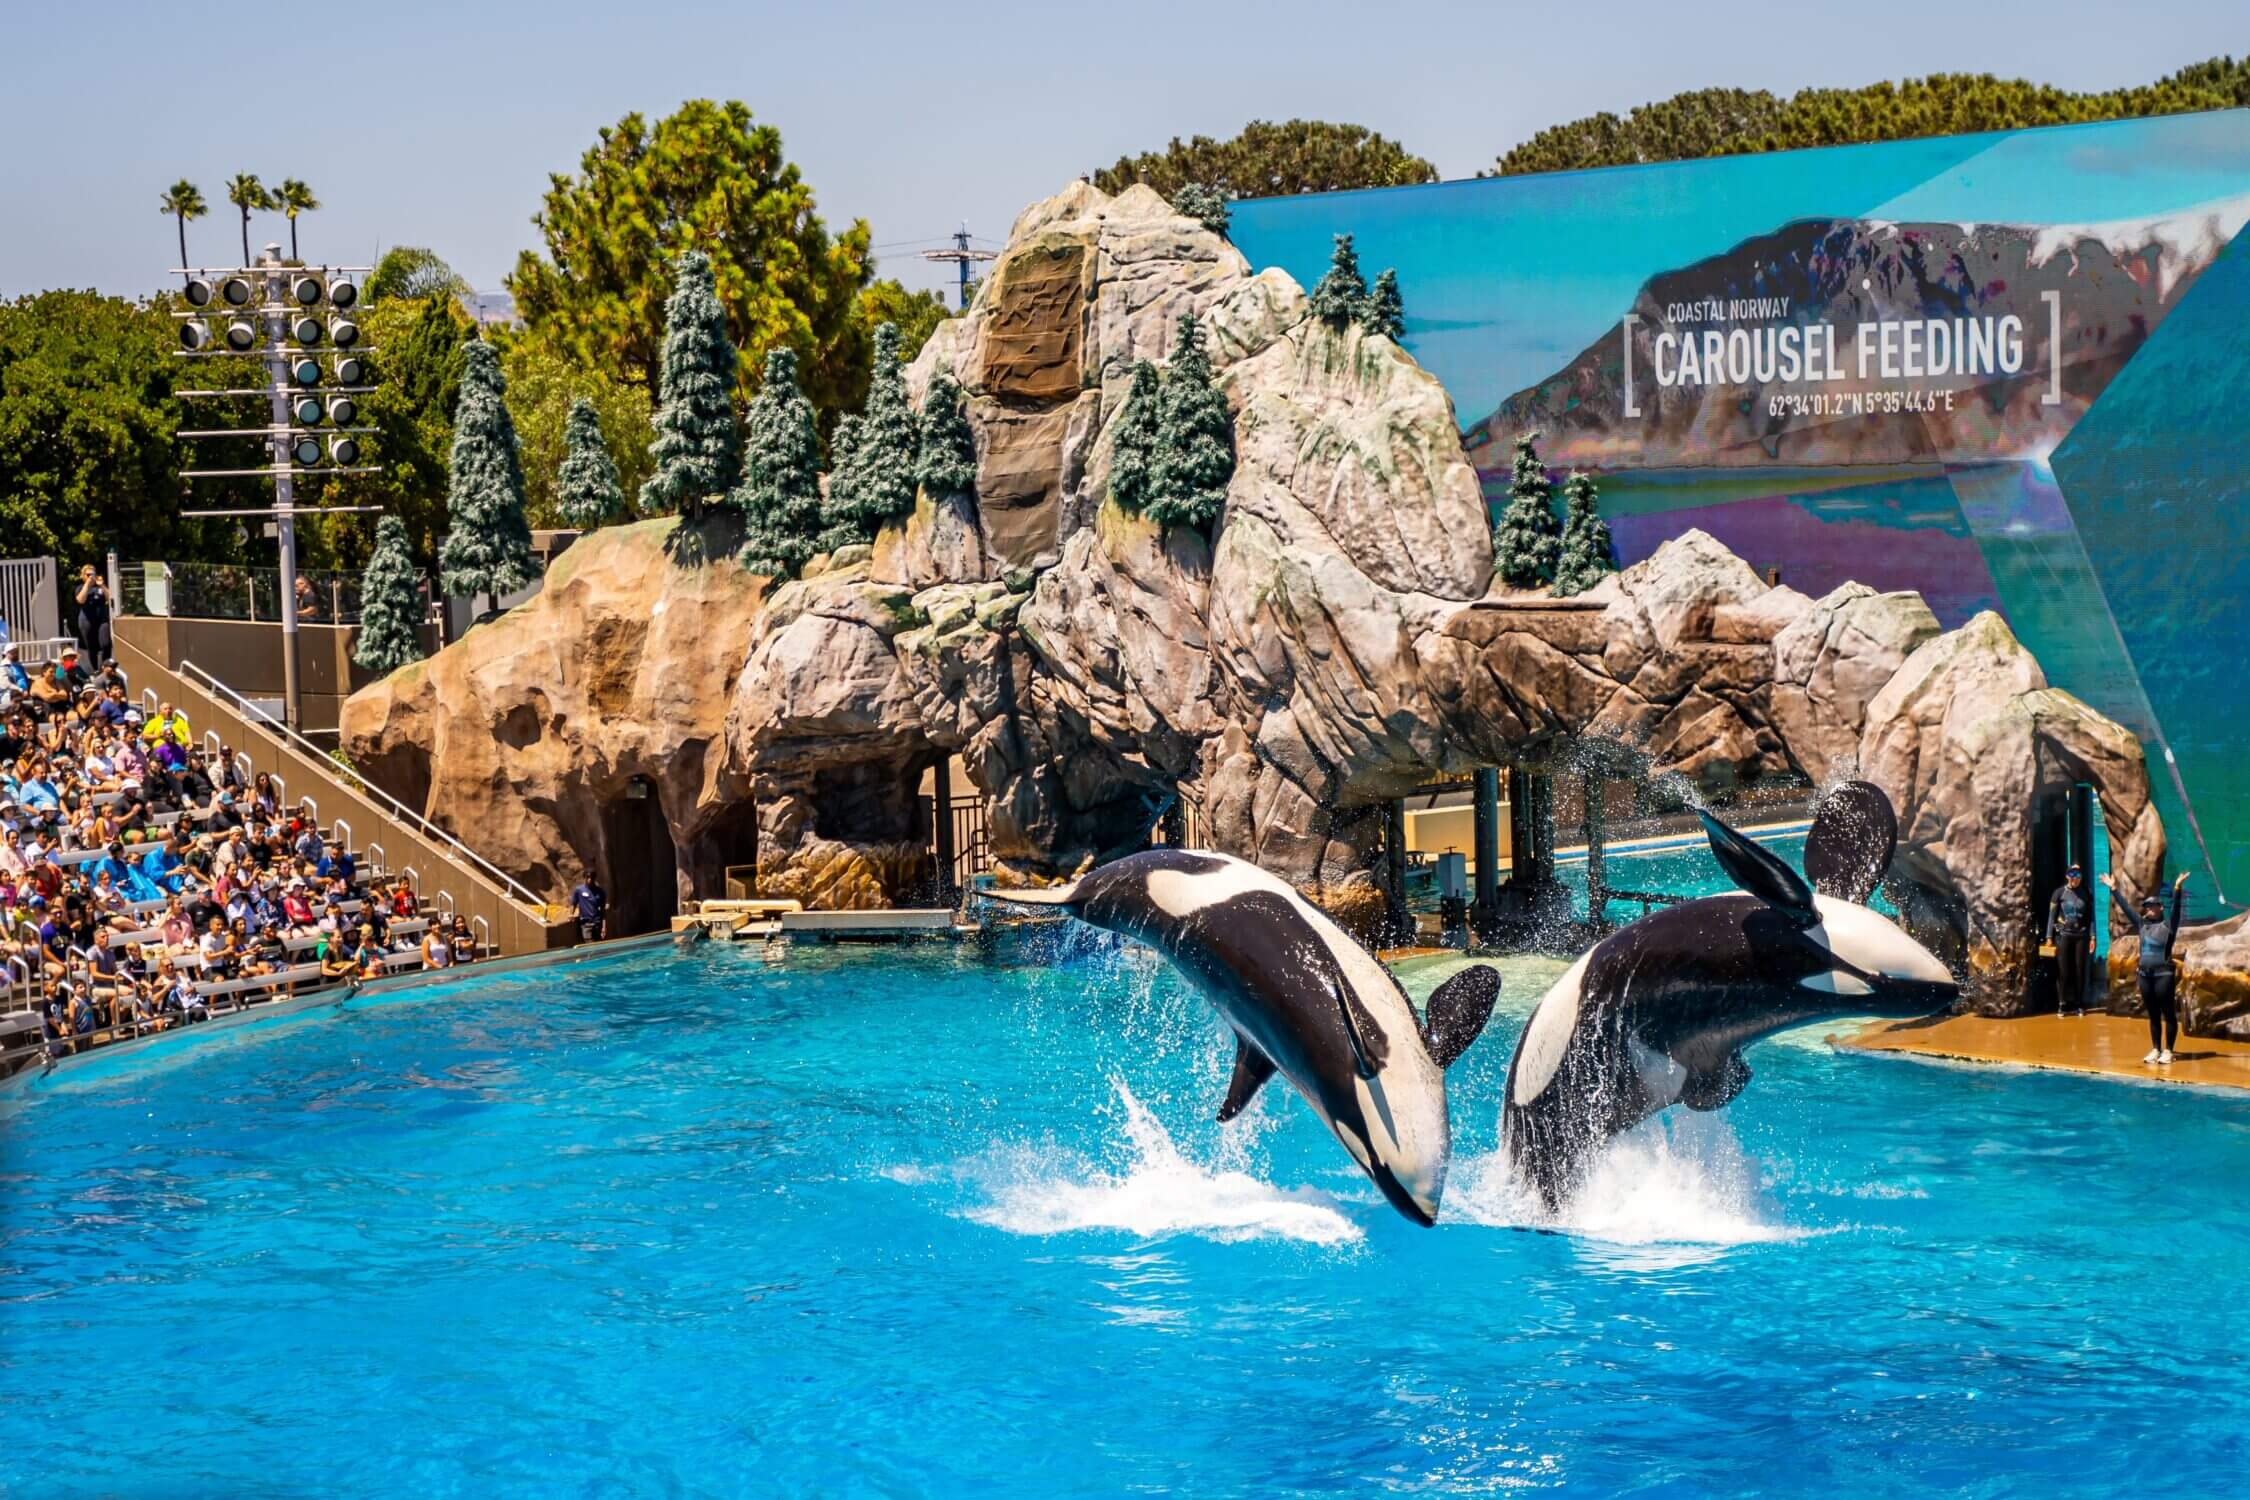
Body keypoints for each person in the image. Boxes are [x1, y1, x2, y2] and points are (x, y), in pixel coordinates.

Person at [2103, 871, 2191, 1065]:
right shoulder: (2142, 925)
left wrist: (2177, 888)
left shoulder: (2168, 926)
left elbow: (2176, 911)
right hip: (2145, 975)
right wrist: (2114, 889)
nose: (2149, 909)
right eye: (2147, 907)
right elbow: (2126, 909)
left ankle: (2168, 1050)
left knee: (2168, 1013)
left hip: (2164, 975)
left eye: (2152, 906)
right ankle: (2155, 1048)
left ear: (2160, 907)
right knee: (2152, 1015)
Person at [2045, 864, 2095, 1016]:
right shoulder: (2059, 893)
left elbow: (2091, 918)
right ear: (2067, 876)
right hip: (2064, 935)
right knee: (2064, 970)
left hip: (2081, 935)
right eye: (2073, 876)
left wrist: (2093, 937)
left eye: (2079, 876)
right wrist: (2049, 937)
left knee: (2080, 970)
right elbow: (2051, 917)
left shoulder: (2086, 892)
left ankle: (2079, 1003)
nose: (2076, 879)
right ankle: (2062, 1003)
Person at [74, 566, 112, 661]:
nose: (91, 576)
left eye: (93, 574)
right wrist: (87, 584)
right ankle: (95, 670)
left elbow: (110, 598)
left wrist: (102, 585)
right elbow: (81, 600)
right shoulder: (80, 587)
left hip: (102, 620)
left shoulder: (99, 588)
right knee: (92, 648)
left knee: (106, 644)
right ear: (83, 576)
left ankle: (105, 666)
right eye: (88, 575)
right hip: (87, 621)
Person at [570, 870, 607, 943]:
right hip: (586, 924)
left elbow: (603, 911)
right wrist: (571, 914)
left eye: (591, 877)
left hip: (597, 924)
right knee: (591, 947)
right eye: (587, 877)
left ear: (595, 878)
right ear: (584, 877)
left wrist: (604, 927)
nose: (589, 879)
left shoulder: (600, 892)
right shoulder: (579, 890)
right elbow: (573, 903)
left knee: (598, 948)